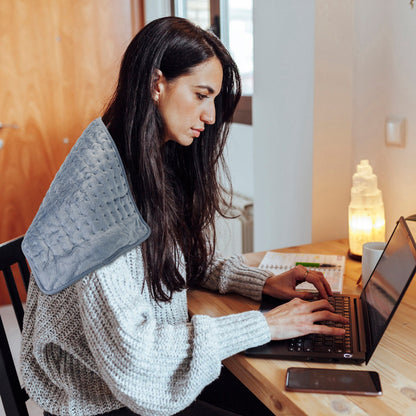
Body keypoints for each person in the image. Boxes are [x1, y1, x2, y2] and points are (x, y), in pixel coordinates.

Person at [20, 17, 348, 416]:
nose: (210, 116)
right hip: (104, 399)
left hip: (129, 378)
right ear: (157, 84)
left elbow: (172, 261)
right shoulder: (100, 201)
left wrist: (262, 283)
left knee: (278, 390)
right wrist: (266, 325)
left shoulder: (137, 156)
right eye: (200, 95)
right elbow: (136, 364)